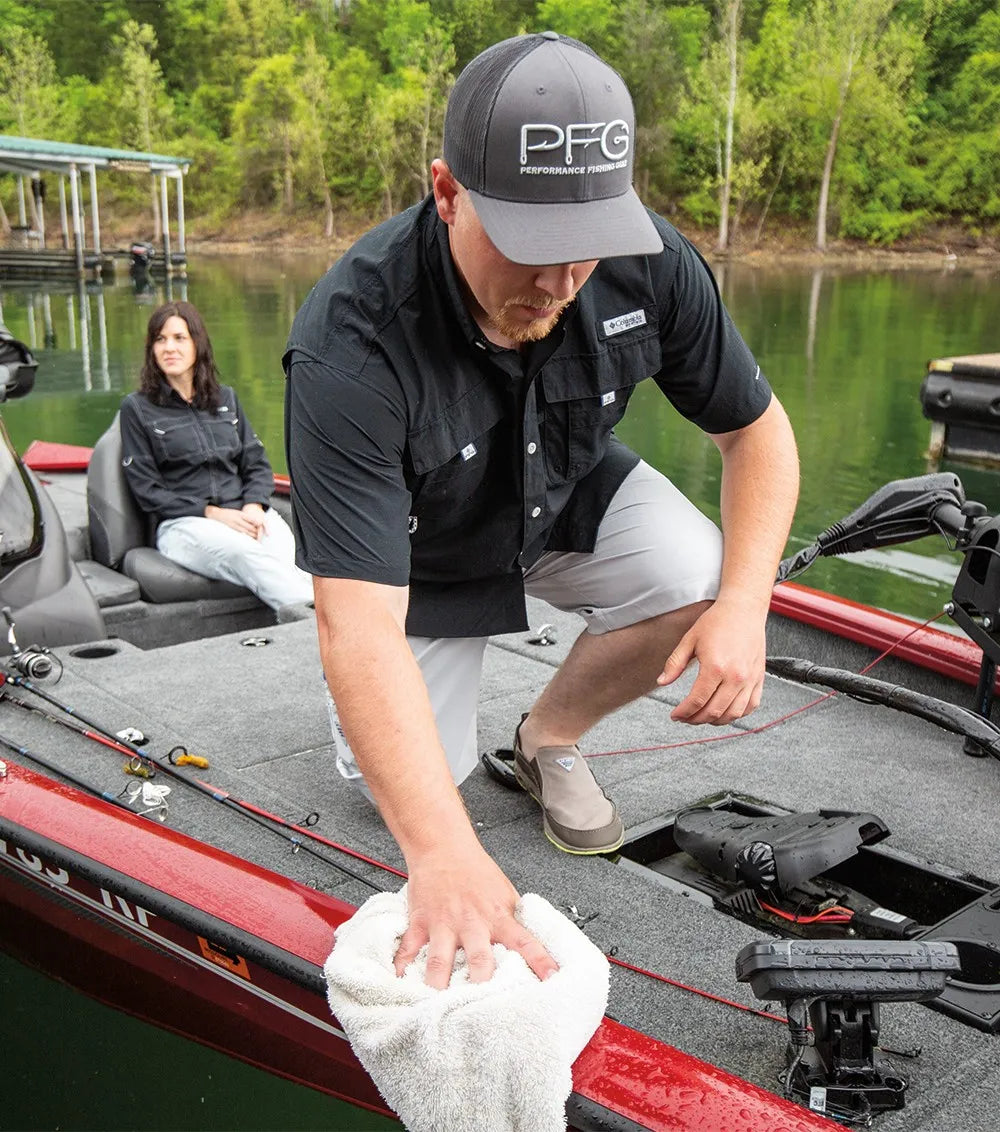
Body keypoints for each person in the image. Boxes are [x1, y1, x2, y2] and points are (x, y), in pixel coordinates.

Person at [284, 33, 799, 987]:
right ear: (448, 194)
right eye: (535, 249)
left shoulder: (651, 266)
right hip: (422, 563)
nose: (564, 283)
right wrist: (440, 856)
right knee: (397, 789)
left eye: (587, 246)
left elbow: (757, 436)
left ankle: (544, 738)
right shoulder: (350, 346)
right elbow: (353, 627)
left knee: (700, 571)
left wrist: (746, 605)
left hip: (557, 494)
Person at [121, 301, 313, 612]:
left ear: (198, 343)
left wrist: (253, 505)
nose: (169, 347)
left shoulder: (226, 399)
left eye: (179, 338)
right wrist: (213, 513)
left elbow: (256, 464)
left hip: (244, 512)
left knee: (293, 557)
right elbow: (147, 491)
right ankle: (315, 625)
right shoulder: (138, 408)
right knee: (245, 554)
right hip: (184, 525)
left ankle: (324, 623)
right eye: (160, 339)